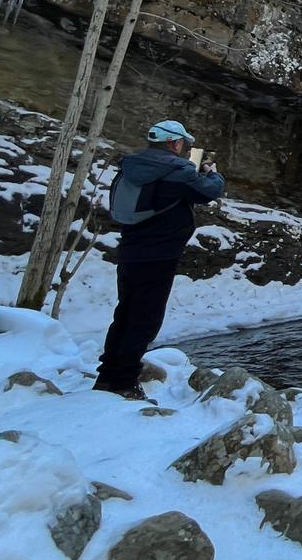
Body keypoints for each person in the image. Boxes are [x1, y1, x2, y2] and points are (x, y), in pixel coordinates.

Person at [93, 118, 224, 398]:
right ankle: (124, 383)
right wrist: (212, 173)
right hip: (160, 255)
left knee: (125, 313)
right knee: (145, 320)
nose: (183, 148)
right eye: (182, 143)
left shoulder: (130, 167)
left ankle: (107, 376)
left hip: (130, 252)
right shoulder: (177, 171)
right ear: (174, 143)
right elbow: (211, 191)